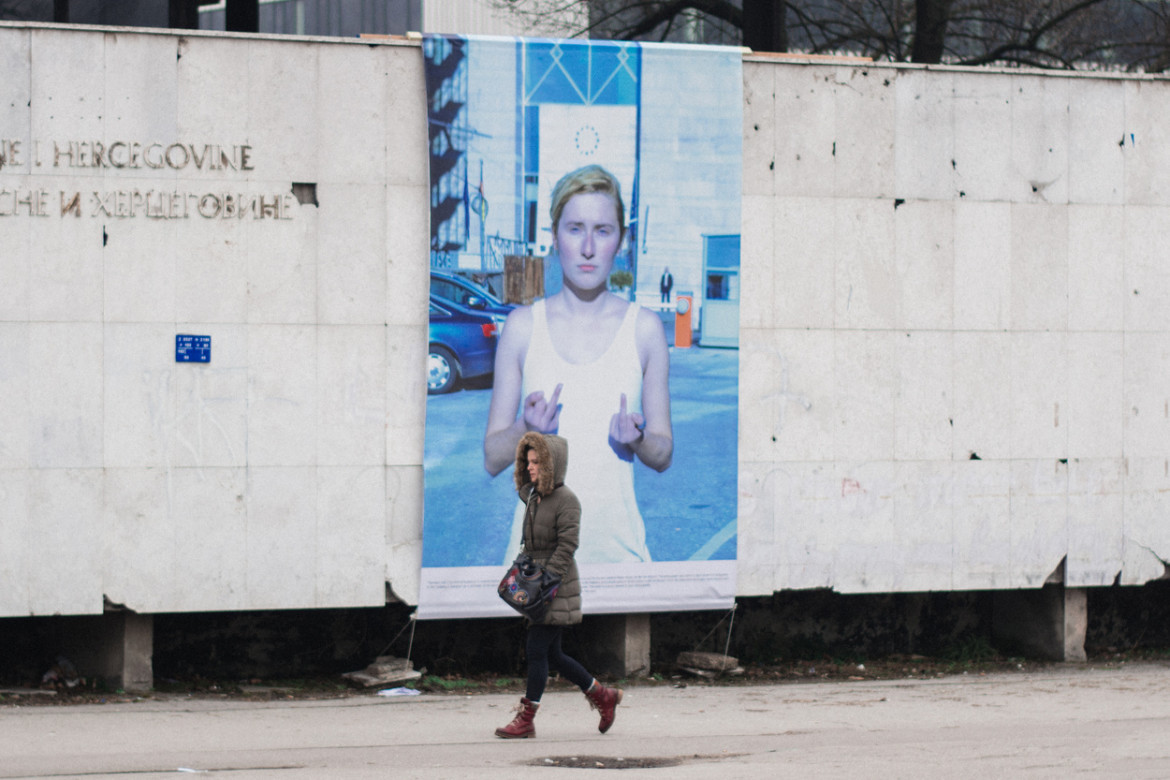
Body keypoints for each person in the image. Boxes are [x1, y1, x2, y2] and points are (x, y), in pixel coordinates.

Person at [484, 164, 673, 564]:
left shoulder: (645, 330)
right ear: (555, 238)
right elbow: (491, 457)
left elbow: (663, 454)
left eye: (602, 230)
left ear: (620, 240)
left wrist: (637, 440)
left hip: (621, 565)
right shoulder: (521, 328)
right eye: (575, 229)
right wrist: (526, 429)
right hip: (535, 570)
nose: (588, 247)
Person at [495, 432, 623, 739]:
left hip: (555, 586)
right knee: (554, 656)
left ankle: (526, 719)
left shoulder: (567, 501)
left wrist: (545, 582)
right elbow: (531, 543)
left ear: (552, 465)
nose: (530, 468)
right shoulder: (534, 498)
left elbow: (568, 546)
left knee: (536, 649)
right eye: (527, 462)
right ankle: (603, 696)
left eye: (537, 462)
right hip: (538, 585)